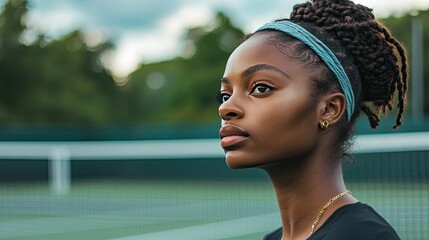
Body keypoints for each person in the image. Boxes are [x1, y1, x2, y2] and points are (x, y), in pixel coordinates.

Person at [217, 0, 407, 239]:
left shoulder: (363, 235)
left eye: (261, 88)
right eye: (225, 94)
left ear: (329, 109)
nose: (226, 108)